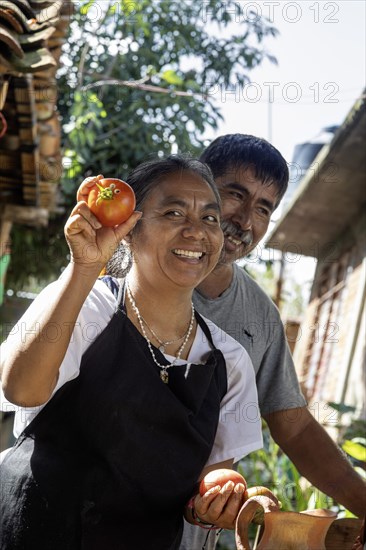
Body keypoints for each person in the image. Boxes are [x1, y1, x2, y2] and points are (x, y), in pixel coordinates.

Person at [0, 155, 263, 549]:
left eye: (210, 218)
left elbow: (210, 484)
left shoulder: (230, 362)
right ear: (128, 228)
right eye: (174, 212)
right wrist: (85, 267)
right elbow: (21, 389)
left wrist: (218, 499)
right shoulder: (88, 304)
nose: (196, 232)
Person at [180, 133, 366, 550]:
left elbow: (294, 426)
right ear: (198, 188)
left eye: (263, 208)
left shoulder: (259, 315)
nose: (246, 220)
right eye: (235, 195)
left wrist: (362, 501)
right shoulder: (129, 274)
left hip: (188, 533)